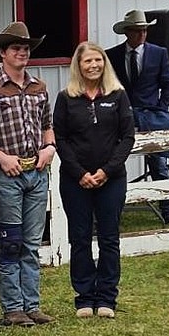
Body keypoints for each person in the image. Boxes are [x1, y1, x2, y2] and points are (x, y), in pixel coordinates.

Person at [0, 22, 56, 327]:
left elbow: (47, 123)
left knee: (32, 241)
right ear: (2, 53)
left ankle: (32, 304)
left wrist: (49, 147)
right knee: (11, 240)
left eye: (25, 49)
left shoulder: (39, 86)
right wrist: (0, 157)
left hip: (36, 170)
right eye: (16, 48)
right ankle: (13, 306)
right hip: (7, 173)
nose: (22, 53)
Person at [54, 42, 136, 319]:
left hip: (111, 180)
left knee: (109, 238)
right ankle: (84, 298)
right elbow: (61, 139)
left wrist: (107, 171)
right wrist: (80, 173)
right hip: (75, 180)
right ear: (78, 66)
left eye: (97, 61)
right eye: (87, 61)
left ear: (104, 63)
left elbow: (127, 138)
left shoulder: (118, 95)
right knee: (79, 239)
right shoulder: (66, 98)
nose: (93, 66)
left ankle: (106, 298)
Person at [106, 9, 169, 224]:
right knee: (113, 161)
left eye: (145, 31)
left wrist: (161, 107)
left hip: (151, 114)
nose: (142, 35)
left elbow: (168, 83)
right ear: (127, 32)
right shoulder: (112, 55)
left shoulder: (159, 53)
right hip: (122, 115)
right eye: (138, 31)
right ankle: (110, 211)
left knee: (159, 162)